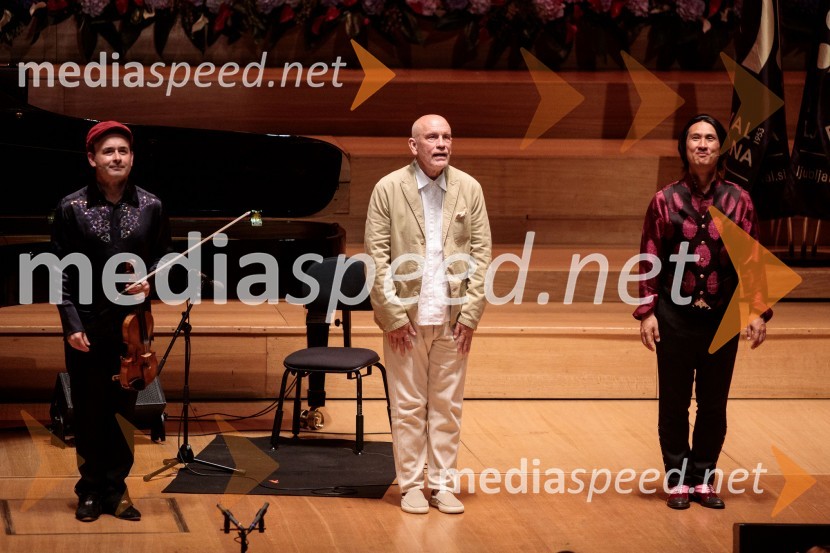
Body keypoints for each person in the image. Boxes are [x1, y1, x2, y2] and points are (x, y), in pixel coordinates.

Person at [635, 114, 771, 510]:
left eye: (710, 138)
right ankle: (677, 479)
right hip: (673, 317)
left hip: (721, 318)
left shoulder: (738, 200)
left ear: (720, 147)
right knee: (674, 402)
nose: (703, 144)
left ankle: (703, 478)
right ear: (685, 146)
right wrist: (647, 311)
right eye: (695, 137)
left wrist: (757, 311)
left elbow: (752, 261)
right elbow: (649, 257)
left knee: (713, 404)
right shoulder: (664, 200)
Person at [364, 114, 492, 514]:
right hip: (407, 318)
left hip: (453, 319)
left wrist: (471, 314)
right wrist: (394, 317)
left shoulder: (469, 188)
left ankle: (442, 485)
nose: (441, 143)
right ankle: (411, 486)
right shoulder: (388, 188)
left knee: (447, 406)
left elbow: (482, 255)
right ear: (413, 145)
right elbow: (377, 258)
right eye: (432, 137)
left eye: (447, 136)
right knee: (407, 406)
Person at [52, 121, 171, 522]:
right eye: (108, 151)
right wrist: (70, 323)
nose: (116, 157)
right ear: (92, 159)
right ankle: (89, 491)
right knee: (87, 411)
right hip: (88, 323)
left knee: (123, 409)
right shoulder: (71, 208)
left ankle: (116, 490)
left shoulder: (151, 206)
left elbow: (163, 257)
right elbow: (59, 272)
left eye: (123, 150)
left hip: (133, 328)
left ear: (132, 157)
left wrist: (151, 280)